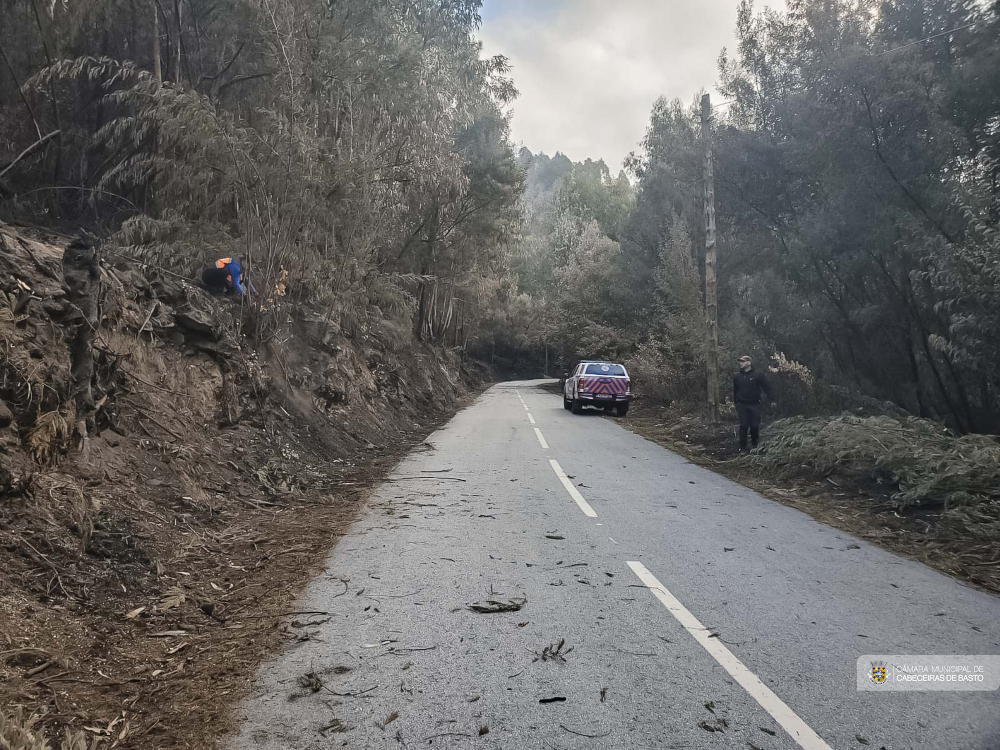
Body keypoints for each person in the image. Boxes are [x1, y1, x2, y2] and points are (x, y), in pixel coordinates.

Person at [732, 355, 774, 450]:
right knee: (743, 425)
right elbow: (735, 390)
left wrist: (772, 400)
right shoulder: (737, 376)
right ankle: (743, 448)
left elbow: (767, 388)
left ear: (749, 363)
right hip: (742, 404)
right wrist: (736, 403)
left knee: (754, 425)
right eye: (740, 361)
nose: (741, 363)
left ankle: (755, 446)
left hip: (754, 404)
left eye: (743, 361)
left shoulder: (757, 375)